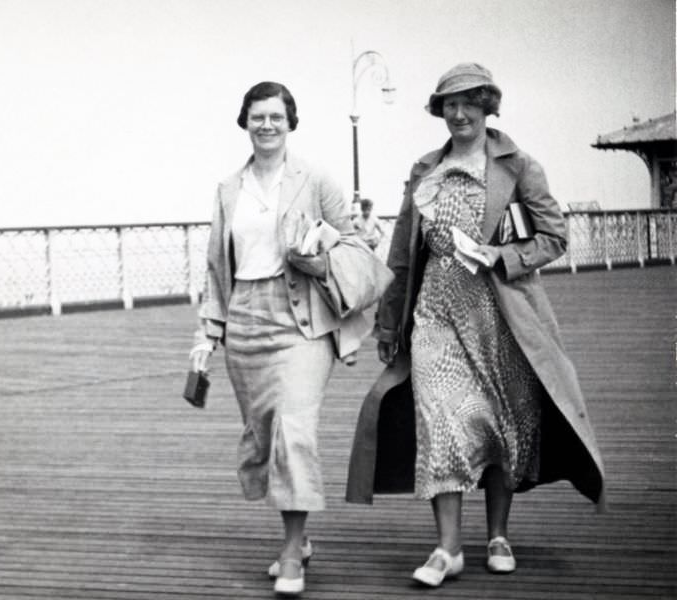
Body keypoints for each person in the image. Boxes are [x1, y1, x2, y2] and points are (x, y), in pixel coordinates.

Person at [345, 63, 606, 588]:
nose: (459, 113)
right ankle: (447, 548)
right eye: (448, 104)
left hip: (502, 315)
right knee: (440, 420)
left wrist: (503, 254)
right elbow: (401, 254)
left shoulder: (518, 165)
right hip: (436, 311)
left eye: (469, 103)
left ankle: (498, 535)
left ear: (489, 105)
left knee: (501, 422)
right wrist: (389, 323)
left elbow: (554, 237)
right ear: (439, 111)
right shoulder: (425, 170)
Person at [190, 81, 361, 598]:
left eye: (276, 117)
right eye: (257, 117)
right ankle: (299, 535)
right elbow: (219, 267)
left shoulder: (315, 179)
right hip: (245, 317)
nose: (267, 125)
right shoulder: (228, 188)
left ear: (291, 122)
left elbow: (356, 242)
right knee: (265, 435)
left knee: (294, 430)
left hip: (301, 318)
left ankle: (290, 554)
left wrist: (319, 253)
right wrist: (207, 332)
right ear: (244, 122)